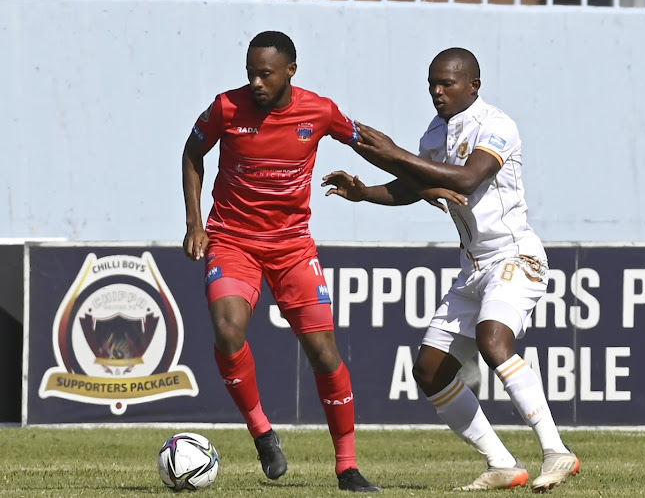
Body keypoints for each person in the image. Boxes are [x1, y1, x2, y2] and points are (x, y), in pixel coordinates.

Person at [322, 47, 580, 492]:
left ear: (473, 84)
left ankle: (557, 452)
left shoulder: (496, 125)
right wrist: (365, 192)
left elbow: (465, 178)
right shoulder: (434, 135)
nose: (437, 92)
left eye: (447, 83)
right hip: (473, 267)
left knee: (492, 339)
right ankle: (502, 464)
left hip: (516, 255)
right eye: (431, 85)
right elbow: (414, 184)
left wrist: (396, 153)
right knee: (429, 369)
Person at [180, 30, 387, 493]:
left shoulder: (319, 110)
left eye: (265, 74)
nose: (255, 82)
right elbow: (192, 154)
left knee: (324, 353)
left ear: (291, 70)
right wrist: (196, 223)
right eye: (250, 72)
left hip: (293, 247)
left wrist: (418, 176)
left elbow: (367, 141)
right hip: (233, 241)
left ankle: (347, 468)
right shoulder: (225, 109)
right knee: (228, 328)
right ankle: (262, 432)